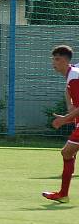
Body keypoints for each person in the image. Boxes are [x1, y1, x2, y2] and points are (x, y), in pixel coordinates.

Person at [42, 45, 79, 203]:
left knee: (67, 152)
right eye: (53, 59)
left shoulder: (74, 77)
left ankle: (63, 194)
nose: (54, 62)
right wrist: (68, 117)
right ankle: (63, 195)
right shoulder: (72, 75)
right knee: (67, 153)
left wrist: (64, 119)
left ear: (65, 61)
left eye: (57, 59)